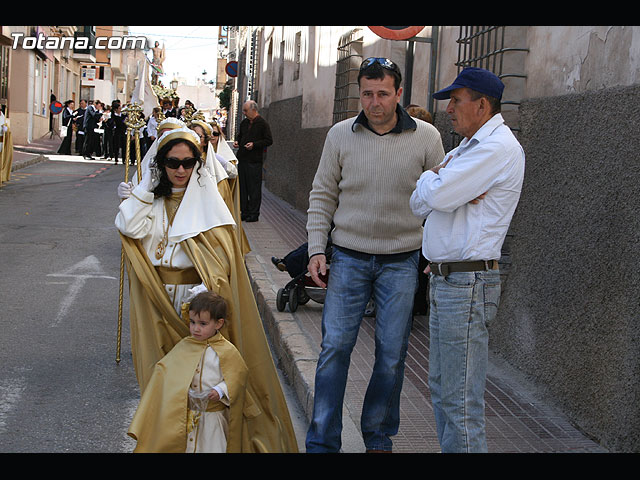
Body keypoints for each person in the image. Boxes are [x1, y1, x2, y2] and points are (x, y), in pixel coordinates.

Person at [115, 126, 298, 452]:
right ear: (161, 164)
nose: (180, 170)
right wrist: (143, 189)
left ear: (198, 164)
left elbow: (220, 264)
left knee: (198, 383)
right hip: (158, 303)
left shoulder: (210, 207)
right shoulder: (154, 201)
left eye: (188, 163)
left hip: (195, 309)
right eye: (172, 163)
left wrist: (201, 297)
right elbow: (129, 226)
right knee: (163, 383)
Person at [304, 57, 445, 453]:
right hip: (347, 257)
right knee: (334, 349)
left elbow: (441, 198)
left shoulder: (427, 137)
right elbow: (322, 194)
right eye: (367, 93)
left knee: (391, 354)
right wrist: (317, 249)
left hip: (402, 260)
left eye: (383, 93)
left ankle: (378, 437)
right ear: (360, 94)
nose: (375, 102)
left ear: (399, 94)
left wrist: (435, 248)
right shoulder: (339, 135)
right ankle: (322, 443)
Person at [410, 67, 525, 453]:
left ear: (481, 104)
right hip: (447, 280)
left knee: (459, 401)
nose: (448, 110)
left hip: (467, 283)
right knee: (443, 390)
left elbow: (436, 199)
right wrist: (437, 180)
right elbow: (418, 203)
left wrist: (437, 182)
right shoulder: (466, 147)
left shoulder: (495, 148)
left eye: (456, 101)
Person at [127, 290, 251, 453]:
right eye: (192, 322)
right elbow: (166, 371)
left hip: (212, 418)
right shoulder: (184, 346)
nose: (195, 329)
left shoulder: (228, 351)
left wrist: (220, 390)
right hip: (185, 416)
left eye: (202, 324)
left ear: (218, 324)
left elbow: (237, 378)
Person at [233, 100, 272, 222]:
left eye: (246, 110)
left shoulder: (262, 123)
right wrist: (237, 142)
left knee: (254, 189)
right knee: (243, 188)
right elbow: (240, 136)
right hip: (243, 159)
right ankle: (244, 211)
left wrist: (254, 145)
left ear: (253, 110)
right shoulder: (244, 123)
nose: (244, 113)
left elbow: (268, 140)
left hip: (254, 161)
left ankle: (254, 213)